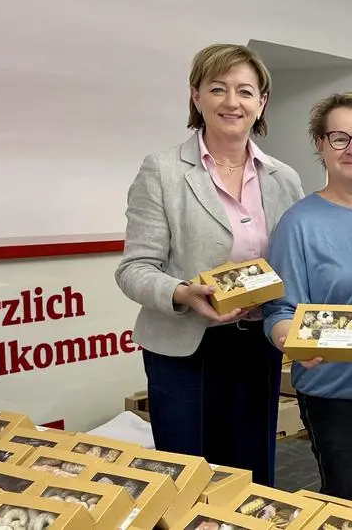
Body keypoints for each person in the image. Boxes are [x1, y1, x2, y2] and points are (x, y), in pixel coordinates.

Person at [115, 43, 304, 484]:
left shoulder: (284, 178)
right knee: (188, 478)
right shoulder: (162, 171)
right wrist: (182, 292)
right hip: (185, 347)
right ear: (196, 96)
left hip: (257, 344)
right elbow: (134, 269)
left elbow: (294, 262)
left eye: (245, 91)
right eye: (218, 89)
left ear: (262, 102)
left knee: (252, 474)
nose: (232, 102)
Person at [262, 91, 352, 506]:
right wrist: (291, 340)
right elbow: (279, 310)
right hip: (336, 396)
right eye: (339, 138)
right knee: (345, 506)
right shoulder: (299, 223)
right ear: (320, 145)